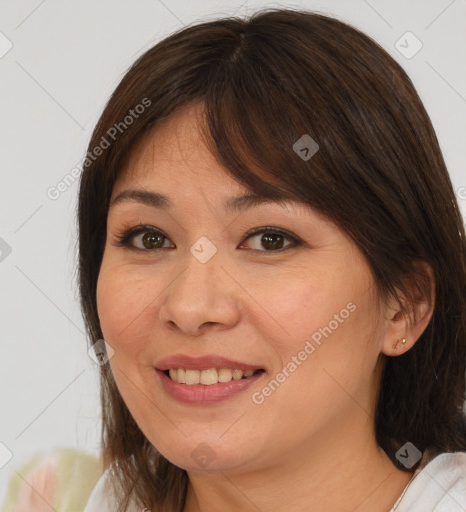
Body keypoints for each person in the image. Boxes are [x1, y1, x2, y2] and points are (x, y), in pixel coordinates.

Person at [77, 8, 466, 512]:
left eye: (270, 240)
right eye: (150, 238)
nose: (191, 307)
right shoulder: (112, 499)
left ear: (404, 307)